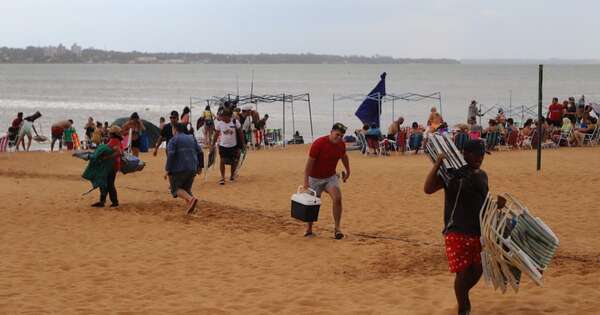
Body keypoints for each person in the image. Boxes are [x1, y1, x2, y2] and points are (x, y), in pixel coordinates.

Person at [424, 140, 489, 315]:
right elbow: (428, 188)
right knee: (462, 272)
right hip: (456, 230)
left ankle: (463, 295)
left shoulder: (481, 175)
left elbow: (484, 199)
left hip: (477, 231)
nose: (480, 158)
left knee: (478, 269)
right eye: (476, 154)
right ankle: (463, 308)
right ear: (465, 154)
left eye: (482, 154)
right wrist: (438, 163)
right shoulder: (450, 175)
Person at [303, 122, 350, 239]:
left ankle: (337, 229)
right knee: (313, 203)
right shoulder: (319, 143)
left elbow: (344, 156)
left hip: (330, 177)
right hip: (314, 178)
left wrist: (348, 171)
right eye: (337, 134)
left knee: (337, 198)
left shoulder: (341, 145)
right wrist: (305, 181)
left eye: (341, 136)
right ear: (331, 132)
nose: (339, 138)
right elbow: (309, 164)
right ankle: (309, 229)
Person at [165, 123, 203, 214]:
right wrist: (200, 166)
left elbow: (171, 155)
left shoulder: (173, 140)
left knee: (175, 189)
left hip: (179, 168)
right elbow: (200, 152)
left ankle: (191, 200)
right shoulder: (191, 138)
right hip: (192, 167)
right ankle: (194, 208)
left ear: (175, 129)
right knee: (186, 189)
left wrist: (167, 169)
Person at [92, 125, 124, 208]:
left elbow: (119, 152)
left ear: (113, 134)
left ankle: (113, 202)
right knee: (106, 183)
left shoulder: (114, 141)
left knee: (108, 183)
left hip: (112, 166)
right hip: (114, 165)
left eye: (110, 133)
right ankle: (103, 201)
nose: (108, 134)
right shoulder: (117, 140)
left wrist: (107, 157)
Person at [212, 109, 243, 185]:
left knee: (233, 162)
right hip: (223, 146)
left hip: (233, 146)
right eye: (221, 116)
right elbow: (216, 134)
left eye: (223, 116)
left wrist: (243, 144)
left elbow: (240, 133)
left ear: (228, 116)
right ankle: (222, 178)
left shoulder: (235, 122)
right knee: (222, 161)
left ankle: (232, 176)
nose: (221, 117)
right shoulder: (220, 124)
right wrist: (213, 143)